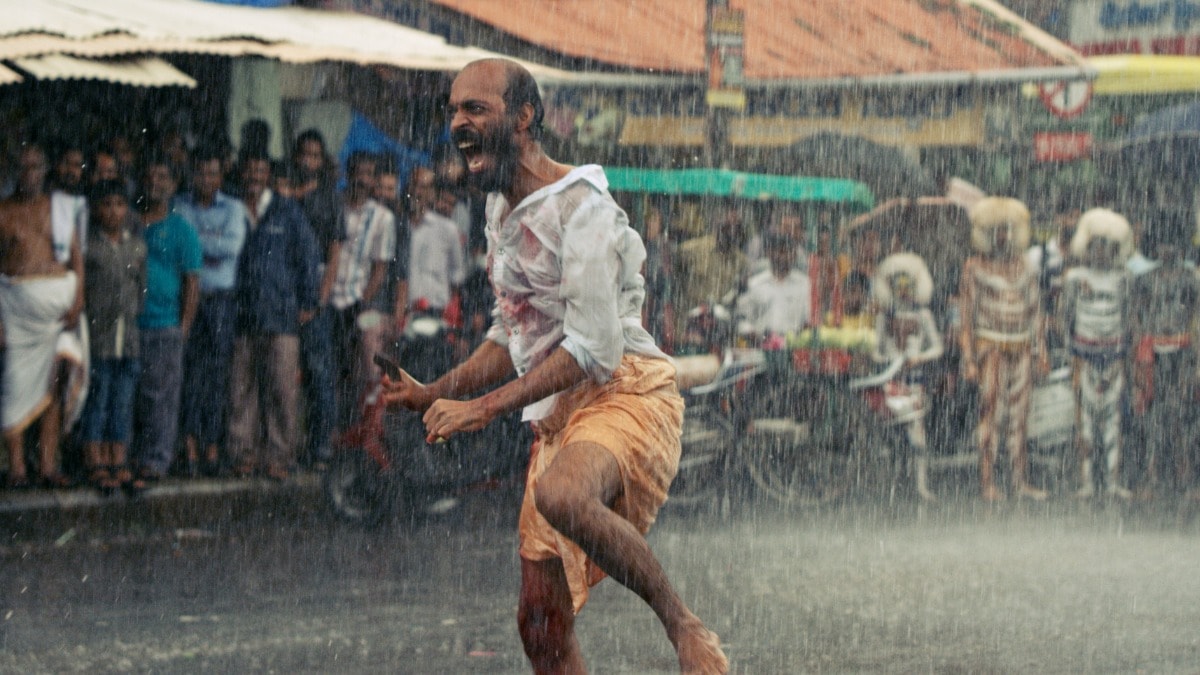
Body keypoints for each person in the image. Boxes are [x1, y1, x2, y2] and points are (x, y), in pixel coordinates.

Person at [382, 58, 728, 675]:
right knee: (538, 625)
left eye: (476, 109)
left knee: (561, 495)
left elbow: (591, 347)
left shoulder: (582, 209)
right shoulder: (500, 211)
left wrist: (481, 409)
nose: (458, 124)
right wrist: (433, 390)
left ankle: (684, 627)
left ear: (524, 117)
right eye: (454, 111)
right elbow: (511, 332)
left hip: (624, 392)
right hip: (558, 415)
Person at [226, 153, 319, 480]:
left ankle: (279, 456)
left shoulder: (286, 210)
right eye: (249, 170)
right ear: (241, 173)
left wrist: (308, 299)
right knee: (242, 390)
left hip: (281, 313)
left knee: (281, 389)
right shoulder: (232, 208)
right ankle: (243, 454)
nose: (254, 175)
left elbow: (308, 255)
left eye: (260, 170)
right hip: (241, 314)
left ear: (268, 175)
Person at [0, 144, 83, 488]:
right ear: (13, 171)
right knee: (15, 388)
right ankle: (18, 467)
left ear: (45, 170)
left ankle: (48, 465)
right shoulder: (3, 211)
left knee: (56, 384)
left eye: (36, 167)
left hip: (59, 314)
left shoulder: (60, 209)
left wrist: (77, 303)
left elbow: (76, 261)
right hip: (17, 313)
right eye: (23, 167)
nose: (29, 174)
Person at [958, 197, 1049, 502]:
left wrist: (1041, 351)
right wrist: (969, 359)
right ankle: (988, 482)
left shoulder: (1025, 267)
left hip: (1021, 346)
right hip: (990, 347)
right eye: (997, 231)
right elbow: (966, 318)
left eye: (1007, 230)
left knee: (1019, 417)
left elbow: (1036, 312)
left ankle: (1019, 481)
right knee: (991, 415)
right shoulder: (974, 267)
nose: (1003, 237)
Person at [173, 147, 248, 477]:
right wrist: (205, 246)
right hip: (190, 299)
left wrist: (196, 245)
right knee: (188, 375)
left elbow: (230, 248)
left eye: (212, 173)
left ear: (221, 176)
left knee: (217, 379)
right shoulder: (180, 206)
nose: (206, 179)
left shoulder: (233, 208)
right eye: (201, 173)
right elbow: (183, 249)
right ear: (193, 175)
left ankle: (212, 448)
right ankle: (189, 448)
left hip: (220, 302)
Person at [131, 156, 201, 489]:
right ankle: (130, 458)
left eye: (163, 176)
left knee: (161, 398)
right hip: (128, 325)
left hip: (165, 324)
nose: (155, 182)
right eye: (150, 175)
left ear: (173, 185)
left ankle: (156, 460)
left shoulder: (181, 230)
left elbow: (192, 282)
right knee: (130, 395)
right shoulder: (130, 224)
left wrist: (183, 326)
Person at [1061, 208, 1135, 500]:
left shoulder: (1124, 277)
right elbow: (1065, 316)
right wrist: (1070, 354)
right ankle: (1087, 482)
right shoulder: (1074, 277)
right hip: (1084, 355)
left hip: (1113, 356)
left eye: (1107, 245)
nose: (1101, 251)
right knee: (1085, 423)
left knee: (1113, 422)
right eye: (1096, 245)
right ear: (1087, 247)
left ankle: (1113, 482)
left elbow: (1129, 318)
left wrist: (1126, 356)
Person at [78, 180, 145, 492]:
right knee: (98, 399)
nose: (114, 211)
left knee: (122, 402)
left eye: (120, 204)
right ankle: (96, 461)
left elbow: (139, 291)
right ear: (96, 208)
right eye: (107, 204)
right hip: (99, 338)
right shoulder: (89, 247)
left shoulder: (136, 246)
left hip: (128, 339)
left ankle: (118, 460)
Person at [1130, 211, 1199, 498]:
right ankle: (1152, 475)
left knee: (1183, 415)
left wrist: (1195, 356)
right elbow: (1135, 314)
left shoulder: (1190, 279)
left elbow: (1196, 315)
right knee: (1153, 416)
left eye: (1172, 243)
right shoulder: (1145, 279)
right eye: (1162, 243)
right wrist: (1138, 349)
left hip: (1182, 350)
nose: (1167, 249)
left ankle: (1187, 478)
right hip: (1152, 352)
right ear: (1154, 246)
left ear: (1181, 246)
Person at [290, 129, 344, 466]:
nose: (309, 161)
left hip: (316, 298)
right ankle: (290, 448)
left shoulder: (329, 200)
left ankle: (321, 445)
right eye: (304, 155)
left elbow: (335, 256)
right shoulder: (284, 195)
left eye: (315, 155)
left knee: (319, 374)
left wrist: (319, 301)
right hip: (285, 295)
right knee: (286, 378)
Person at [330, 152, 395, 426]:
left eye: (368, 174)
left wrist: (361, 303)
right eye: (358, 173)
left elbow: (379, 269)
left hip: (362, 302)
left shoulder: (383, 218)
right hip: (330, 299)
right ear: (349, 174)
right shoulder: (336, 208)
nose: (362, 179)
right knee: (332, 369)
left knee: (367, 361)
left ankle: (368, 427)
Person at [872, 252, 943, 501]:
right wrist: (888, 362)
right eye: (898, 286)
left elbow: (937, 347)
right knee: (888, 434)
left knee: (917, 435)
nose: (903, 291)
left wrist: (918, 359)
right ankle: (891, 485)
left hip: (914, 381)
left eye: (907, 286)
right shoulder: (884, 317)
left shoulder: (923, 315)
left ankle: (921, 486)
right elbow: (875, 349)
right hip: (890, 381)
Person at [393, 166, 465, 327]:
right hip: (404, 315)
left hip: (437, 314)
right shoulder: (398, 227)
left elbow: (457, 277)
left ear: (433, 193)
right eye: (415, 185)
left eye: (424, 187)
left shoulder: (448, 229)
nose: (418, 192)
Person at [736, 231, 812, 341]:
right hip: (761, 345)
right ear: (769, 253)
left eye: (788, 252)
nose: (783, 257)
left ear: (794, 255)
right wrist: (752, 333)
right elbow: (742, 318)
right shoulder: (755, 284)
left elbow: (809, 319)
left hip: (795, 346)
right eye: (780, 252)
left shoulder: (805, 284)